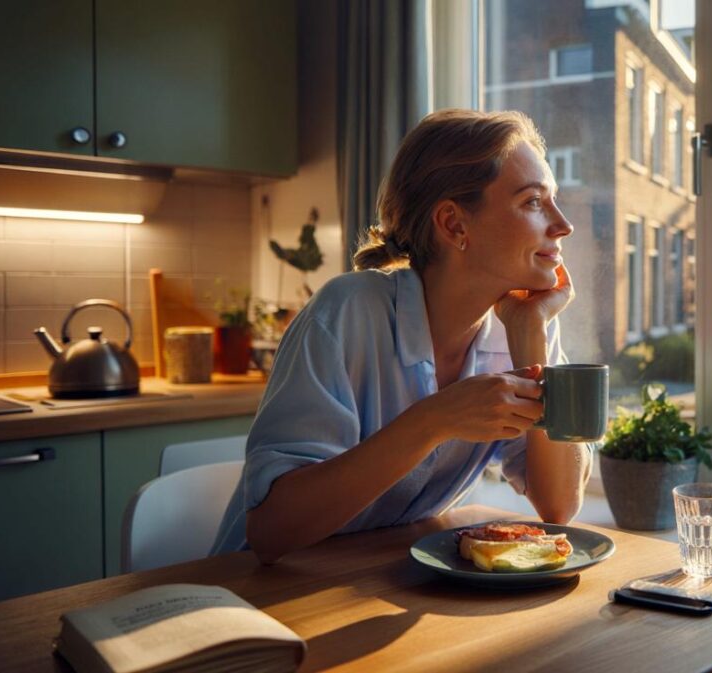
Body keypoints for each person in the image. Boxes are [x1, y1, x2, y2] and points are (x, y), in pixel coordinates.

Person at [211, 109, 592, 563]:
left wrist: (533, 334)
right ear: (453, 224)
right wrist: (433, 421)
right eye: (533, 201)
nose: (562, 223)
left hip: (369, 584)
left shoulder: (518, 325)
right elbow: (273, 531)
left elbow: (560, 505)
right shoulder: (346, 313)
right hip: (255, 594)